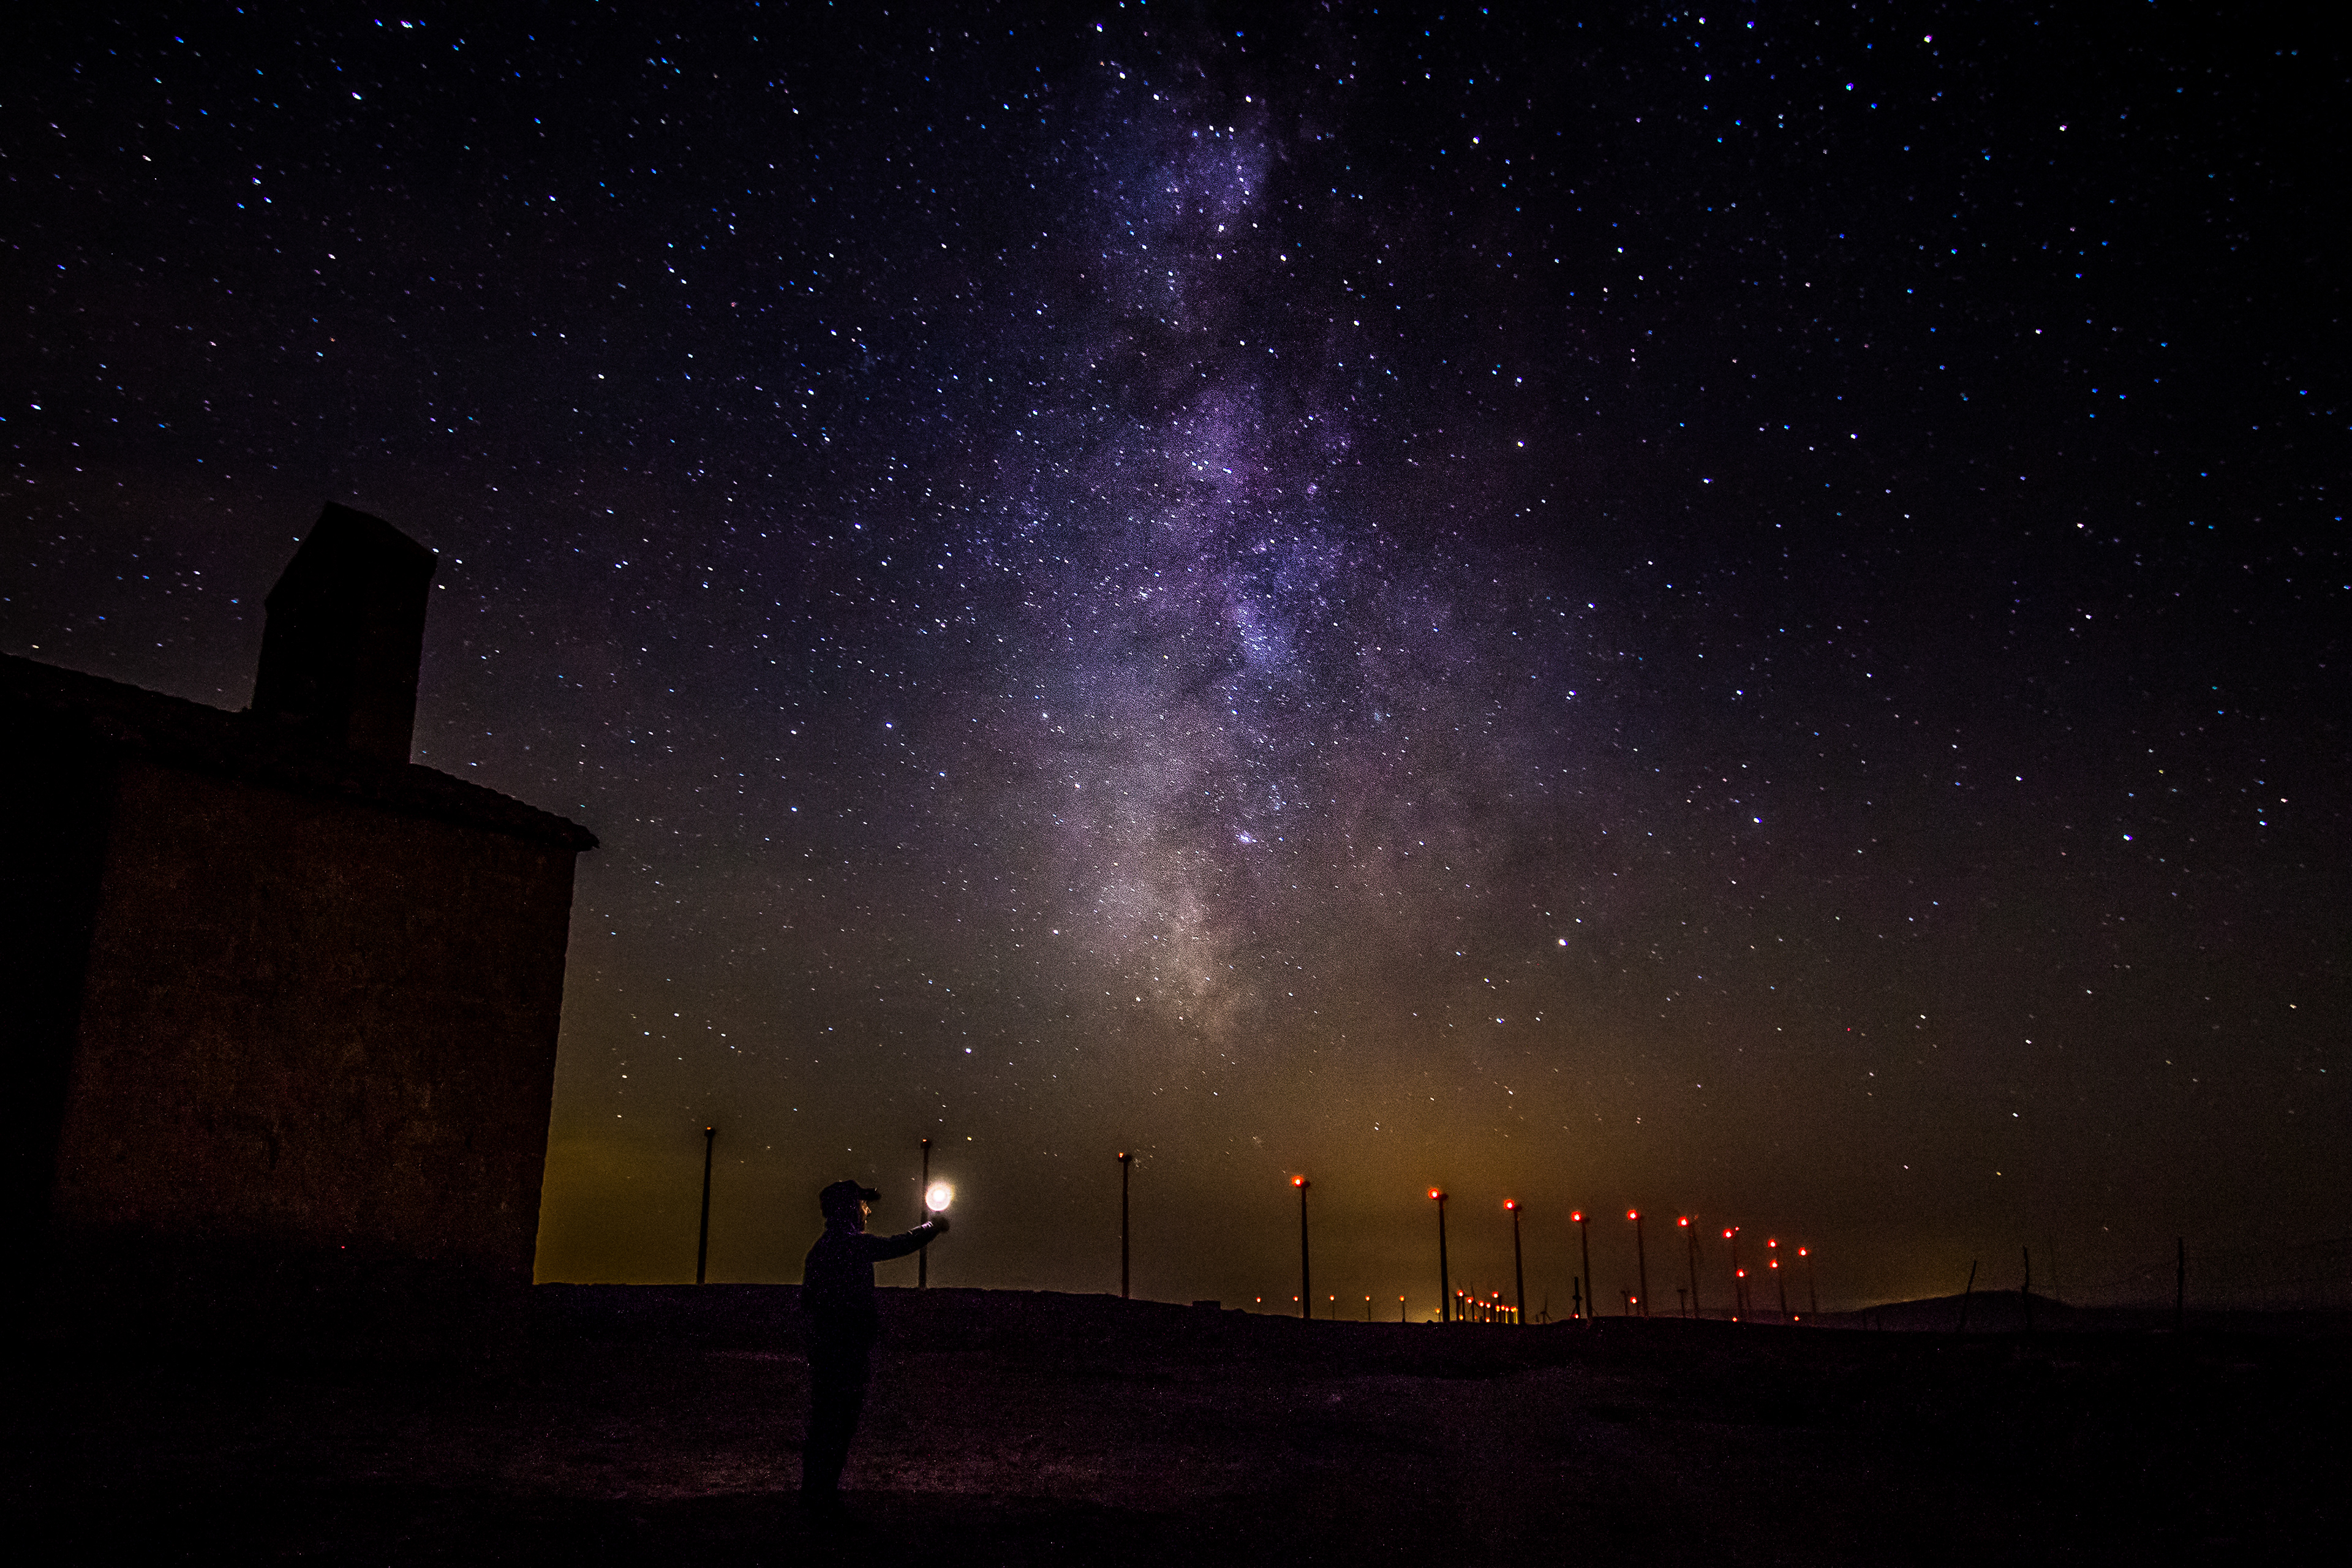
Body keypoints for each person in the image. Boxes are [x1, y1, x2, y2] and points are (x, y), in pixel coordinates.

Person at [798, 1178, 948, 1516]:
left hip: (827, 1351)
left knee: (826, 1425)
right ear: (850, 1209)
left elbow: (808, 1305)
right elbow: (896, 1246)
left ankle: (816, 1497)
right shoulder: (849, 1245)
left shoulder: (822, 1250)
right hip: (845, 1352)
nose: (867, 1211)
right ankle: (822, 1501)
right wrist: (931, 1227)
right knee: (837, 1427)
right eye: (863, 1205)